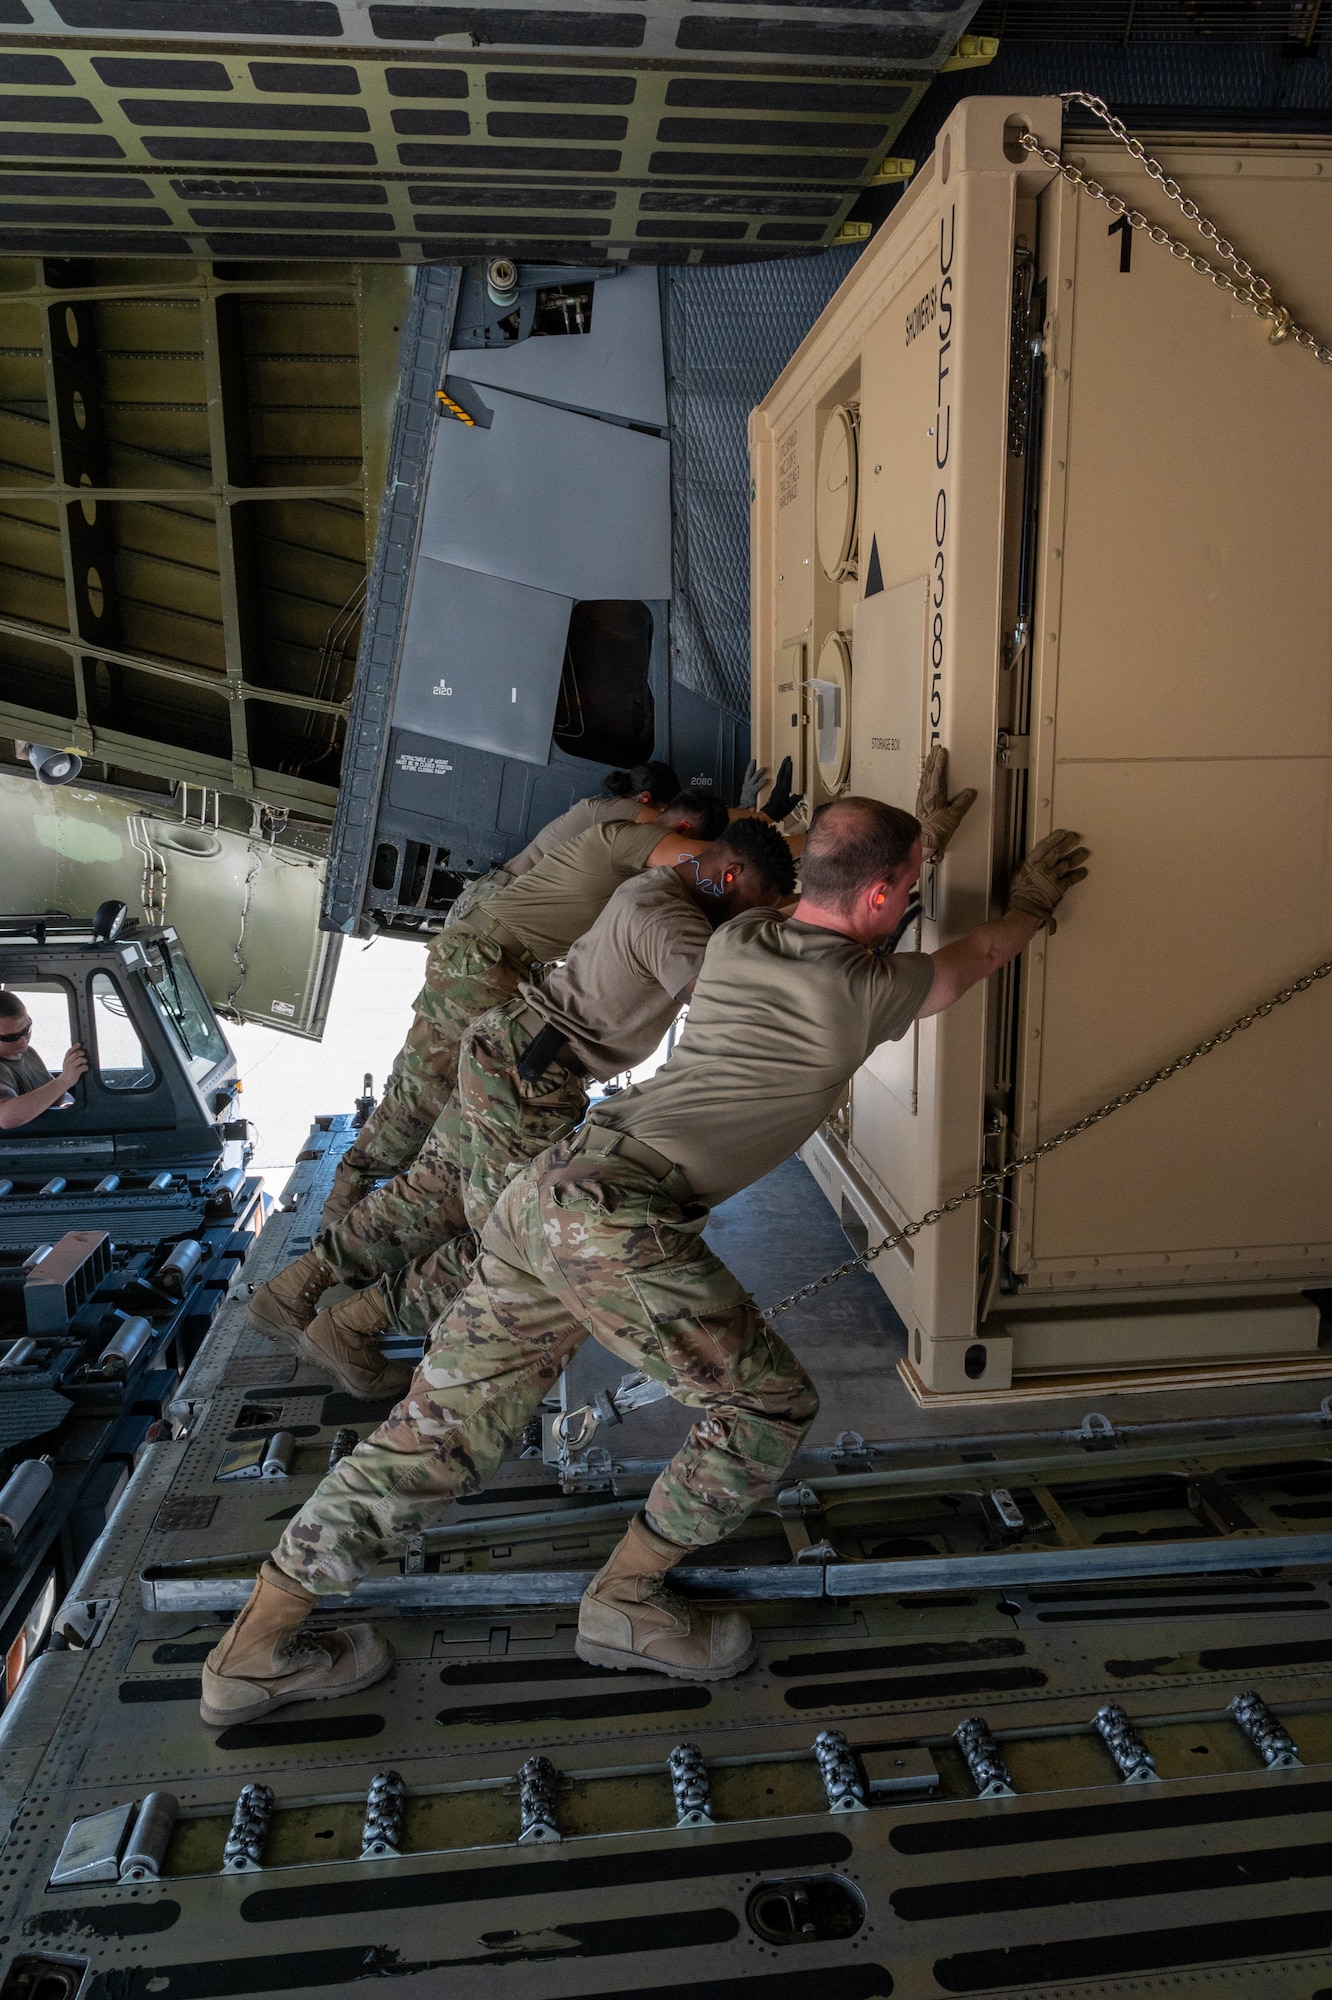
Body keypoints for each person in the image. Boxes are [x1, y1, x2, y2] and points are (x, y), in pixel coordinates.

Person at [200, 770, 1089, 1727]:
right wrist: (1030, 905)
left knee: (437, 1436)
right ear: (885, 898)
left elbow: (821, 906)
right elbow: (975, 957)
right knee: (766, 1404)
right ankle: (624, 1602)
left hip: (550, 1197)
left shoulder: (744, 937)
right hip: (615, 1216)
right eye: (904, 888)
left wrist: (913, 854)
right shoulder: (868, 991)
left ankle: (251, 1652)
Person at [265, 817, 797, 1399]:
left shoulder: (656, 887)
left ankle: (293, 1290)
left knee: (433, 1189)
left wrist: (777, 912)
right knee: (517, 1240)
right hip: (533, 1078)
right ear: (730, 874)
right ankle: (354, 1325)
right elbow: (728, 993)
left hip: (507, 1050)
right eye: (749, 905)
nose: (745, 918)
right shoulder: (672, 923)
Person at [443, 761, 684, 933]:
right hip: (493, 906)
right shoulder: (616, 811)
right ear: (644, 798)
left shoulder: (607, 811)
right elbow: (666, 834)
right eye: (664, 810)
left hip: (496, 904)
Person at [0, 992, 87, 1132]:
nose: (23, 1040)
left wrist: (65, 1105)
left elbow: (57, 1093)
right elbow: (5, 1117)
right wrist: (64, 1080)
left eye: (26, 1030)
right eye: (11, 1037)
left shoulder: (29, 1054)